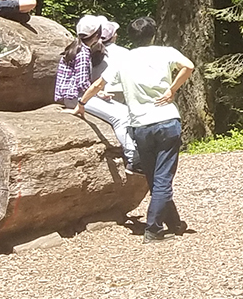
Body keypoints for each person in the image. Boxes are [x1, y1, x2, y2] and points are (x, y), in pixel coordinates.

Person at [79, 17, 195, 242]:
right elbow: (189, 66)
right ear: (153, 34)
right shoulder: (165, 52)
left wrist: (81, 103)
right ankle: (153, 228)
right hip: (166, 120)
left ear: (131, 37)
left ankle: (174, 223)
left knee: (154, 178)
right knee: (163, 178)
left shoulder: (124, 59)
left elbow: (98, 85)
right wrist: (172, 90)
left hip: (140, 125)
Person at [59, 15, 133, 166]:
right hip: (75, 97)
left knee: (126, 112)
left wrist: (98, 93)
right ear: (98, 34)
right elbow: (81, 83)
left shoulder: (77, 47)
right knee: (121, 118)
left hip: (76, 95)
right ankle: (132, 156)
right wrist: (97, 93)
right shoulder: (83, 53)